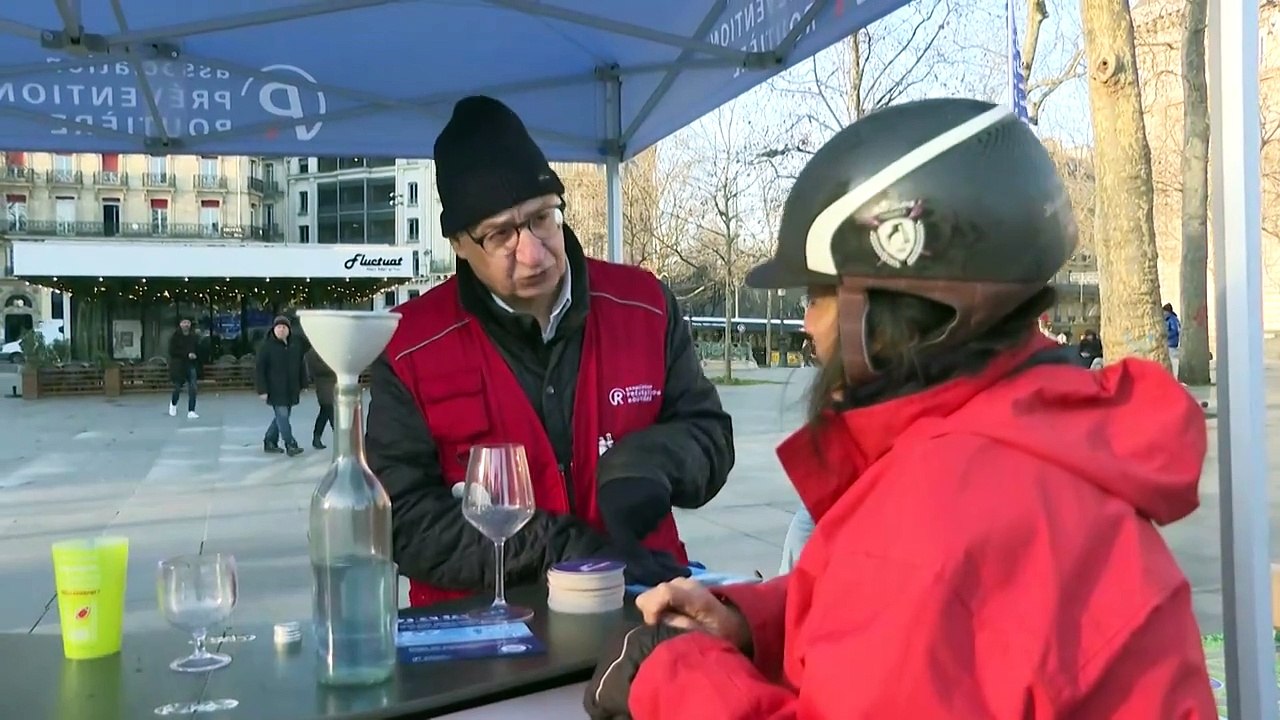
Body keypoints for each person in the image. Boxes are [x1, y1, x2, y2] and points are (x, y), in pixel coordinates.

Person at [584, 98, 1215, 719]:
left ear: (893, 311)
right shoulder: (1032, 430)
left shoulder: (933, 513)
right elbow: (915, 625)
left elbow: (917, 587)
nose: (807, 322)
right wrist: (752, 622)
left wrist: (671, 676)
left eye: (818, 295)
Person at [366, 96, 735, 608]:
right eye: (500, 234)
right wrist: (554, 549)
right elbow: (399, 518)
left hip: (646, 605)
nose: (535, 252)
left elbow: (711, 435)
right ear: (458, 242)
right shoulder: (409, 345)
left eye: (543, 217)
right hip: (487, 631)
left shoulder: (644, 305)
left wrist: (654, 461)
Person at [255, 315, 307, 457]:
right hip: (275, 389)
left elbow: (301, 365)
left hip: (291, 388)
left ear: (289, 329)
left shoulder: (295, 345)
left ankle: (269, 441)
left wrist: (303, 383)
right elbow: (260, 370)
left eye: (284, 327)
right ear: (274, 329)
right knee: (283, 416)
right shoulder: (266, 346)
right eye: (278, 327)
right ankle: (290, 444)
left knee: (281, 417)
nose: (281, 330)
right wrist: (262, 390)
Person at [167, 317, 200, 419]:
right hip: (178, 365)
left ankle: (191, 410)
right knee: (177, 387)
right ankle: (173, 404)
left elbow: (198, 349)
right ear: (180, 324)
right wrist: (187, 354)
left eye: (188, 323)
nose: (186, 325)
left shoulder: (194, 336)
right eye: (184, 322)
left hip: (191, 365)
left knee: (193, 388)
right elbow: (172, 351)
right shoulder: (175, 337)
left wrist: (196, 356)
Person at [304, 347, 336, 450]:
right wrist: (333, 367)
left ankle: (317, 437)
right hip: (324, 386)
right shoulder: (313, 352)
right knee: (330, 412)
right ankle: (340, 438)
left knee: (325, 413)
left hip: (332, 385)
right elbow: (317, 369)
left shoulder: (327, 350)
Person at [1164, 302, 1182, 376]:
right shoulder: (1171, 319)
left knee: (1172, 360)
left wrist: (1166, 335)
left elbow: (1175, 331)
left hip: (1171, 343)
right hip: (1170, 343)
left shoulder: (1171, 320)